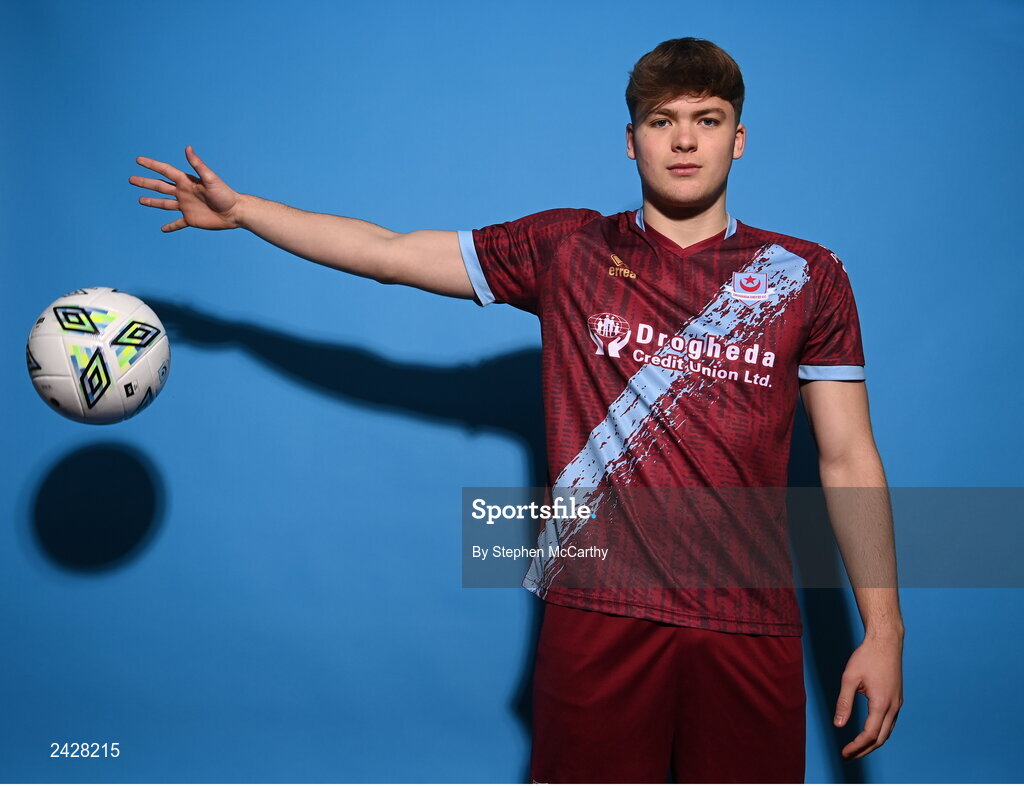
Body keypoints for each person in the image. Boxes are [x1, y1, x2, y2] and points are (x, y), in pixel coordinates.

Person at [130, 37, 903, 783]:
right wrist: (245, 212)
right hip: (598, 609)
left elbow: (847, 457)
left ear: (739, 139)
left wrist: (883, 627)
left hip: (747, 619)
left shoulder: (805, 274)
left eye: (706, 120)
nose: (684, 141)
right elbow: (390, 252)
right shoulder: (568, 248)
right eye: (661, 121)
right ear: (629, 142)